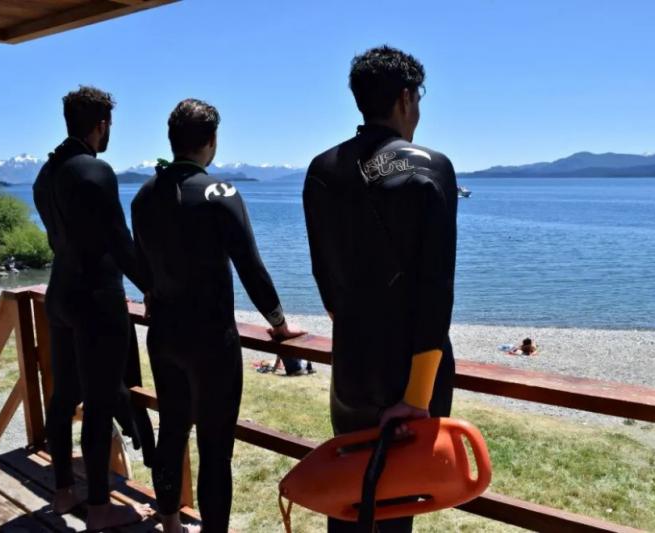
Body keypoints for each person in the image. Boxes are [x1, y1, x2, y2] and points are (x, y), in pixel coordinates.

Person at [303, 45, 458, 533]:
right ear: (407, 98)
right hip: (411, 371)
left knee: (349, 500)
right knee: (395, 508)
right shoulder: (431, 167)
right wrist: (417, 393)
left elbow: (324, 276)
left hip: (351, 366)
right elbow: (436, 288)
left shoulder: (321, 169)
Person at [132, 99, 304, 533]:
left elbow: (141, 262)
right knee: (214, 447)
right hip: (211, 341)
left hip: (164, 333)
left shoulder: (143, 196)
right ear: (210, 141)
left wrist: (151, 291)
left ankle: (169, 524)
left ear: (173, 141)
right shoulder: (218, 192)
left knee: (172, 432)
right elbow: (250, 265)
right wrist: (279, 323)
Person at [33, 86, 152, 530]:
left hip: (60, 293)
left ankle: (63, 492)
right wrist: (155, 289)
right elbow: (120, 242)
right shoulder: (94, 171)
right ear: (101, 124)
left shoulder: (46, 174)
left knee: (64, 397)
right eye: (108, 126)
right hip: (97, 299)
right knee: (100, 404)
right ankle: (100, 507)